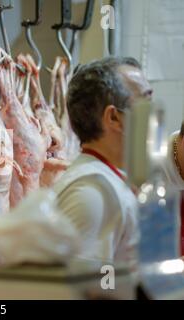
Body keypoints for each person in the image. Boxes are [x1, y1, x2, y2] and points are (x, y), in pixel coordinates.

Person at [53, 57, 184, 266]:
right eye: (145, 102)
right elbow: (80, 291)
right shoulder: (90, 194)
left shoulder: (116, 180)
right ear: (114, 118)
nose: (154, 113)